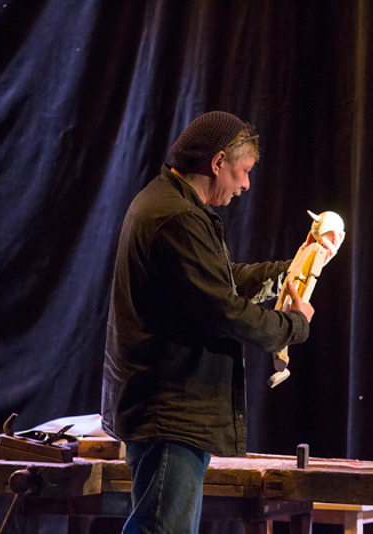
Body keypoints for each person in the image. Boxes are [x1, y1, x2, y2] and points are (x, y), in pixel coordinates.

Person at [101, 111, 319, 533]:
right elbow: (224, 310)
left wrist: (293, 269)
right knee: (161, 528)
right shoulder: (177, 217)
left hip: (165, 408)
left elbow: (215, 281)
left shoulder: (168, 203)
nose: (246, 184)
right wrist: (293, 325)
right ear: (218, 162)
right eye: (243, 171)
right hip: (169, 411)